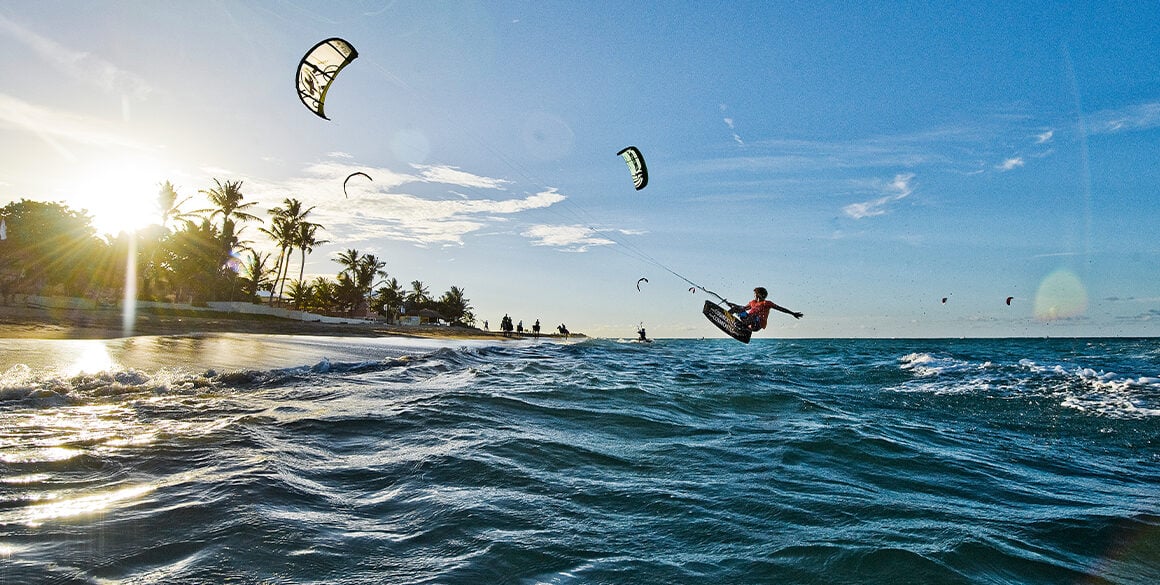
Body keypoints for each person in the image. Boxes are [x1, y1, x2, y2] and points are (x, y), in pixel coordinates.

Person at [728, 287, 803, 331]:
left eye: (754, 294)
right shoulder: (752, 302)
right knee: (737, 308)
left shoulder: (766, 303)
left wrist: (793, 313)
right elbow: (742, 308)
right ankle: (726, 317)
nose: (753, 295)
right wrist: (733, 306)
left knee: (754, 316)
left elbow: (780, 308)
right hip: (748, 322)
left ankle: (740, 326)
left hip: (757, 324)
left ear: (758, 295)